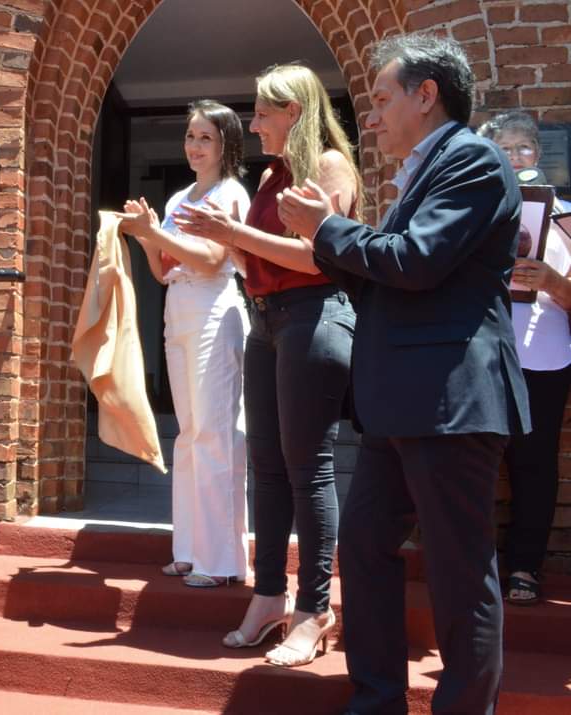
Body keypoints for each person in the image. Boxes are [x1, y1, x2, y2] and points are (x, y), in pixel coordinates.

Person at [278, 33, 529, 714]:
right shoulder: (420, 173)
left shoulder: (473, 160)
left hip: (450, 401)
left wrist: (327, 230)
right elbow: (392, 280)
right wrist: (331, 240)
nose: (373, 114)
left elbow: (416, 259)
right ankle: (377, 701)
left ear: (427, 95)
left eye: (384, 97)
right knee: (362, 551)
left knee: (458, 575)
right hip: (398, 404)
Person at [172, 64, 361, 667]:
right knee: (269, 467)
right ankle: (268, 598)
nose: (252, 126)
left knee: (309, 469)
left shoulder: (328, 165)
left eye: (261, 113)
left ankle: (314, 609)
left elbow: (317, 259)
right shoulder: (274, 176)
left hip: (312, 313)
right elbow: (249, 254)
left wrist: (232, 233)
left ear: (295, 112)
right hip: (266, 322)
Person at [117, 101, 250, 588]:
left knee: (216, 432)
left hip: (216, 309)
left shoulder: (231, 192)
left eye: (206, 138)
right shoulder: (176, 200)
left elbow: (214, 260)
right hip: (180, 309)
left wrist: (155, 233)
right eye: (191, 137)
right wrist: (148, 239)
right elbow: (164, 270)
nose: (195, 146)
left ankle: (223, 560)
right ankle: (191, 549)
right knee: (190, 433)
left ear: (225, 144)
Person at [478, 111, 571, 606]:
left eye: (524, 149)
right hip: (483, 353)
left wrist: (552, 282)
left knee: (534, 465)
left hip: (545, 355)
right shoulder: (476, 210)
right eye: (505, 150)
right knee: (477, 461)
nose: (515, 158)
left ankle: (525, 567)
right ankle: (478, 565)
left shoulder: (565, 216)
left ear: (540, 154)